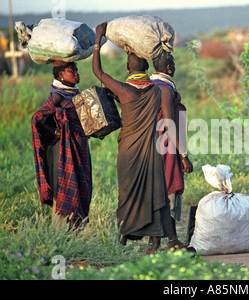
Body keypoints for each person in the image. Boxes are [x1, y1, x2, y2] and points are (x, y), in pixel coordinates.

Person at [92, 22, 174, 254]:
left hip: (128, 152)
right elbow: (158, 116)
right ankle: (155, 242)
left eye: (127, 62)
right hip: (151, 152)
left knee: (127, 193)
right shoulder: (157, 91)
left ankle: (126, 236)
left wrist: (98, 39)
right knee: (156, 193)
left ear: (129, 67)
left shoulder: (124, 91)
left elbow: (98, 73)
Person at [31, 61, 92, 228]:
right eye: (72, 70)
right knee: (62, 191)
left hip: (77, 150)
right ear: (60, 75)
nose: (76, 73)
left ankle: (73, 236)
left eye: (76, 69)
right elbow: (37, 117)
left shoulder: (73, 95)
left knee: (78, 188)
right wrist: (55, 132)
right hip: (62, 153)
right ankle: (59, 236)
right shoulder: (57, 96)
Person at [151, 53, 193, 250]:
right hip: (167, 146)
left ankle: (164, 241)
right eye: (173, 64)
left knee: (160, 191)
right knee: (168, 189)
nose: (174, 67)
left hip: (156, 145)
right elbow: (169, 123)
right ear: (168, 67)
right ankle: (162, 241)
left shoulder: (152, 85)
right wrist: (184, 155)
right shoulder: (164, 89)